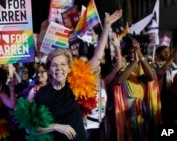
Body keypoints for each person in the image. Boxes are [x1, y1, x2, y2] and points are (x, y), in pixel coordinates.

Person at [33, 10, 122, 141]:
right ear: (48, 70)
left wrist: (107, 27)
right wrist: (56, 126)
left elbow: (97, 57)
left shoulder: (74, 84)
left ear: (69, 68)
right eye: (54, 65)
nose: (59, 69)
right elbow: (35, 127)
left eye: (63, 65)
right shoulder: (43, 94)